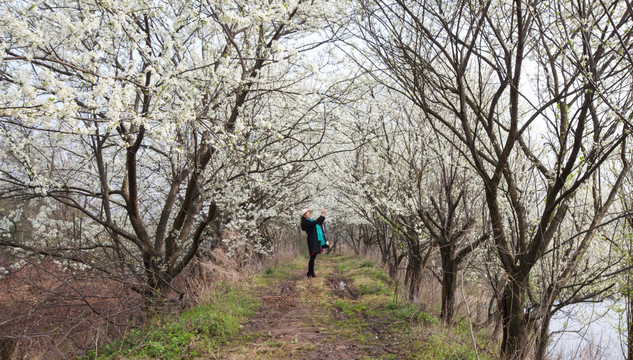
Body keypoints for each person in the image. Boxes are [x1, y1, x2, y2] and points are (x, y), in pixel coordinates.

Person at [300, 208, 326, 278]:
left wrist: (323, 216)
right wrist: (322, 215)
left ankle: (310, 272)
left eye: (309, 212)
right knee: (312, 257)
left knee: (313, 257)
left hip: (315, 240)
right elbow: (315, 223)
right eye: (307, 213)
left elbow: (319, 223)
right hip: (312, 241)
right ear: (304, 215)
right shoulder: (305, 222)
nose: (309, 213)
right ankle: (310, 272)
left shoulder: (310, 221)